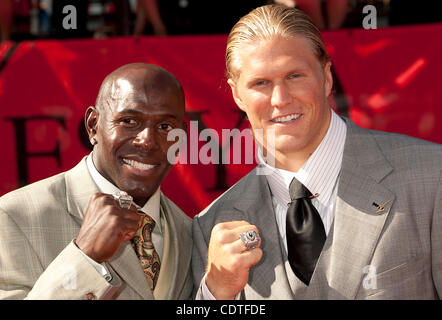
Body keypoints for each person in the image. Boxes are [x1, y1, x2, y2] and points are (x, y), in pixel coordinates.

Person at [192, 4, 442, 299]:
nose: (280, 99)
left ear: (326, 77)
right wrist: (215, 294)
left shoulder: (430, 177)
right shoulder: (212, 225)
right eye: (261, 83)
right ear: (237, 95)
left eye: (295, 76)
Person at [0, 63, 193, 299]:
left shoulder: (191, 232)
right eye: (129, 121)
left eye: (165, 127)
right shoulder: (13, 217)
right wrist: (85, 257)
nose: (147, 141)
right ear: (93, 125)